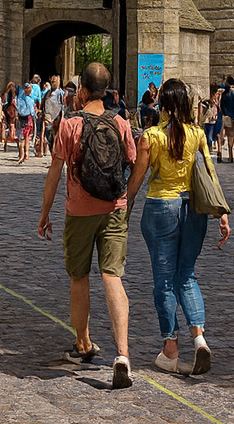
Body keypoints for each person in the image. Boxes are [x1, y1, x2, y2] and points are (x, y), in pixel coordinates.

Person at [39, 62, 137, 389]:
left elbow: (55, 173)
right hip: (114, 208)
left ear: (81, 90)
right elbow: (132, 164)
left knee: (79, 278)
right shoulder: (121, 123)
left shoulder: (69, 125)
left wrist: (45, 212)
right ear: (108, 91)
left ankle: (83, 345)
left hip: (79, 210)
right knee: (113, 277)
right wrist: (127, 200)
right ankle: (122, 354)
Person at [126, 77, 229, 376]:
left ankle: (170, 347)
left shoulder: (152, 136)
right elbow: (209, 172)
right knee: (187, 275)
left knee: (164, 279)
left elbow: (137, 179)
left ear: (163, 106)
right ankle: (199, 338)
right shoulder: (197, 133)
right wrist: (222, 212)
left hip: (161, 207)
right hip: (193, 209)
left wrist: (123, 209)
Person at [15, 76, 38, 164]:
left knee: (21, 138)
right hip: (27, 118)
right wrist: (35, 117)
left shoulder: (19, 97)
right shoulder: (30, 99)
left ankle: (21, 155)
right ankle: (26, 153)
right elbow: (32, 112)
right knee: (26, 137)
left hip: (20, 118)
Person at [216, 78, 234, 163]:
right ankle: (230, 155)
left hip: (223, 116)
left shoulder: (224, 95)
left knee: (221, 134)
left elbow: (221, 106)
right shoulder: (233, 95)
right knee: (231, 136)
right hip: (231, 117)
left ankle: (220, 151)